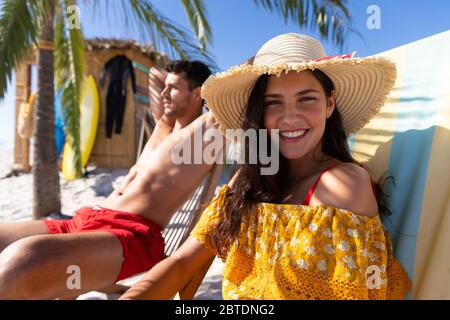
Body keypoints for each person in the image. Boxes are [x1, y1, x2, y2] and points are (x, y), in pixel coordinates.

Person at [120, 33, 412, 300]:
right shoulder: (251, 181)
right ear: (259, 114)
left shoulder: (342, 185)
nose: (289, 117)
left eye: (306, 99)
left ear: (329, 104)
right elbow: (183, 262)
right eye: (273, 103)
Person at [0, 61, 219, 299]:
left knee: (20, 263)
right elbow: (155, 74)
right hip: (84, 220)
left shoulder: (204, 132)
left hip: (129, 237)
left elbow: (233, 92)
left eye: (173, 88)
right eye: (165, 87)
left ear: (197, 93)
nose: (164, 93)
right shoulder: (164, 126)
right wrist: (176, 78)